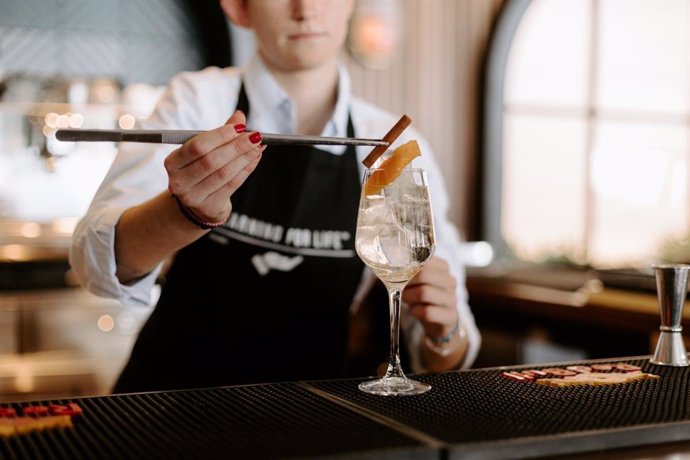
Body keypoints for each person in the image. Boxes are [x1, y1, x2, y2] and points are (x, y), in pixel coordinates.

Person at [69, 0, 481, 393]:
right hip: (170, 407)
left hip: (314, 419)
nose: (306, 9)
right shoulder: (198, 101)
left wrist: (442, 331)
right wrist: (183, 213)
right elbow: (96, 261)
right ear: (239, 7)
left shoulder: (390, 144)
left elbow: (448, 353)